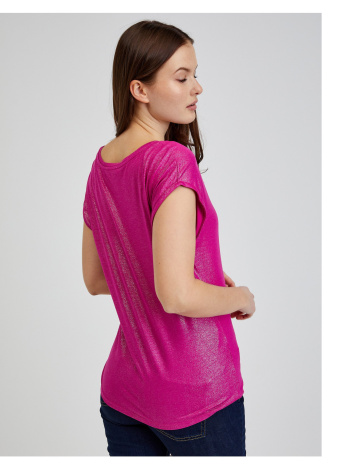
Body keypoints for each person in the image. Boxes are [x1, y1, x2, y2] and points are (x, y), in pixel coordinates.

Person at [82, 19, 256, 456]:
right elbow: (176, 295)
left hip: (124, 395)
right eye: (182, 78)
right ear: (139, 89)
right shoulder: (171, 160)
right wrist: (238, 297)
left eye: (195, 74)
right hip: (194, 395)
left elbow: (97, 279)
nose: (197, 88)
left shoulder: (102, 165)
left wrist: (196, 278)